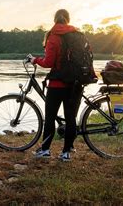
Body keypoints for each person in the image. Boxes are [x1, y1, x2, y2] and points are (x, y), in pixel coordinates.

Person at [30, 9, 83, 162]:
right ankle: (66, 153)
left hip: (57, 84)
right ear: (68, 19)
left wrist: (35, 60)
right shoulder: (78, 35)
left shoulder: (53, 36)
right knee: (70, 118)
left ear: (55, 20)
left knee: (50, 117)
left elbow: (48, 62)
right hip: (75, 84)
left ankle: (45, 150)